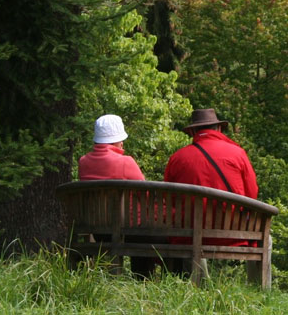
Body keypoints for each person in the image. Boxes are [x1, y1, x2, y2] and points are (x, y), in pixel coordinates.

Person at [164, 109, 259, 274]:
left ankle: (200, 285)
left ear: (193, 131)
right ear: (219, 129)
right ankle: (259, 289)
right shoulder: (238, 154)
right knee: (267, 239)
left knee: (191, 232)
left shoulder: (178, 158)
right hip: (234, 232)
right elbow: (252, 194)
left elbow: (170, 199)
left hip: (188, 233)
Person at [77, 114, 153, 277]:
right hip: (129, 230)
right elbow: (146, 194)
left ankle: (110, 276)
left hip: (97, 230)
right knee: (146, 233)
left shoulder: (83, 162)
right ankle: (142, 280)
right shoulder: (125, 162)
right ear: (116, 140)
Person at [78, 114, 145, 181]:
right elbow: (145, 190)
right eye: (121, 140)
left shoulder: (83, 162)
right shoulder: (125, 162)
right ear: (117, 141)